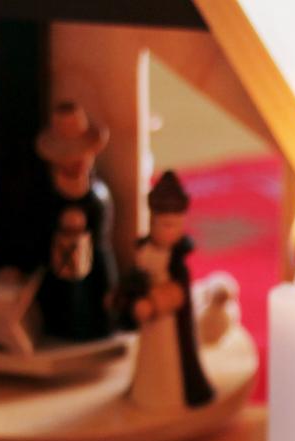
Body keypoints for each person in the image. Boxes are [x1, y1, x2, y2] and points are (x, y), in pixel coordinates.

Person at [123, 171, 214, 411]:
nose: (168, 231)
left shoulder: (176, 262)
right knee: (149, 358)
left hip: (167, 320)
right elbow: (135, 280)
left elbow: (178, 292)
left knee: (168, 360)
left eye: (175, 226)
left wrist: (154, 304)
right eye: (163, 224)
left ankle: (169, 396)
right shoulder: (144, 251)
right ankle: (145, 393)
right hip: (150, 324)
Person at [31, 102, 116, 342]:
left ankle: (97, 325)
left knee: (96, 296)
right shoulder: (49, 195)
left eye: (82, 154)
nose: (78, 161)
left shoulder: (97, 194)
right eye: (70, 155)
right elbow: (39, 229)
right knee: (62, 300)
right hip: (59, 264)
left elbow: (102, 236)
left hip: (93, 259)